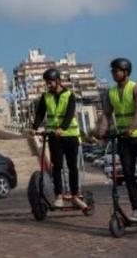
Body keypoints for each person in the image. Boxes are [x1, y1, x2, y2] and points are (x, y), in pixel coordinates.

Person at [95, 58, 137, 224]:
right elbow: (106, 114)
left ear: (126, 72)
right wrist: (100, 131)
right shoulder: (111, 92)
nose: (114, 73)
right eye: (113, 71)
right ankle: (136, 208)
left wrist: (132, 128)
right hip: (124, 138)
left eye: (117, 71)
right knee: (127, 174)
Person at [31, 68, 87, 209]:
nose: (48, 85)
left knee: (72, 167)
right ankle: (58, 196)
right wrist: (34, 127)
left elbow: (69, 115)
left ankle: (75, 195)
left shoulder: (69, 95)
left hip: (70, 136)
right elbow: (40, 113)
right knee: (57, 167)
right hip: (54, 137)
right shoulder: (46, 96)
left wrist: (62, 128)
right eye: (46, 82)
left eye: (50, 82)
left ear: (58, 81)